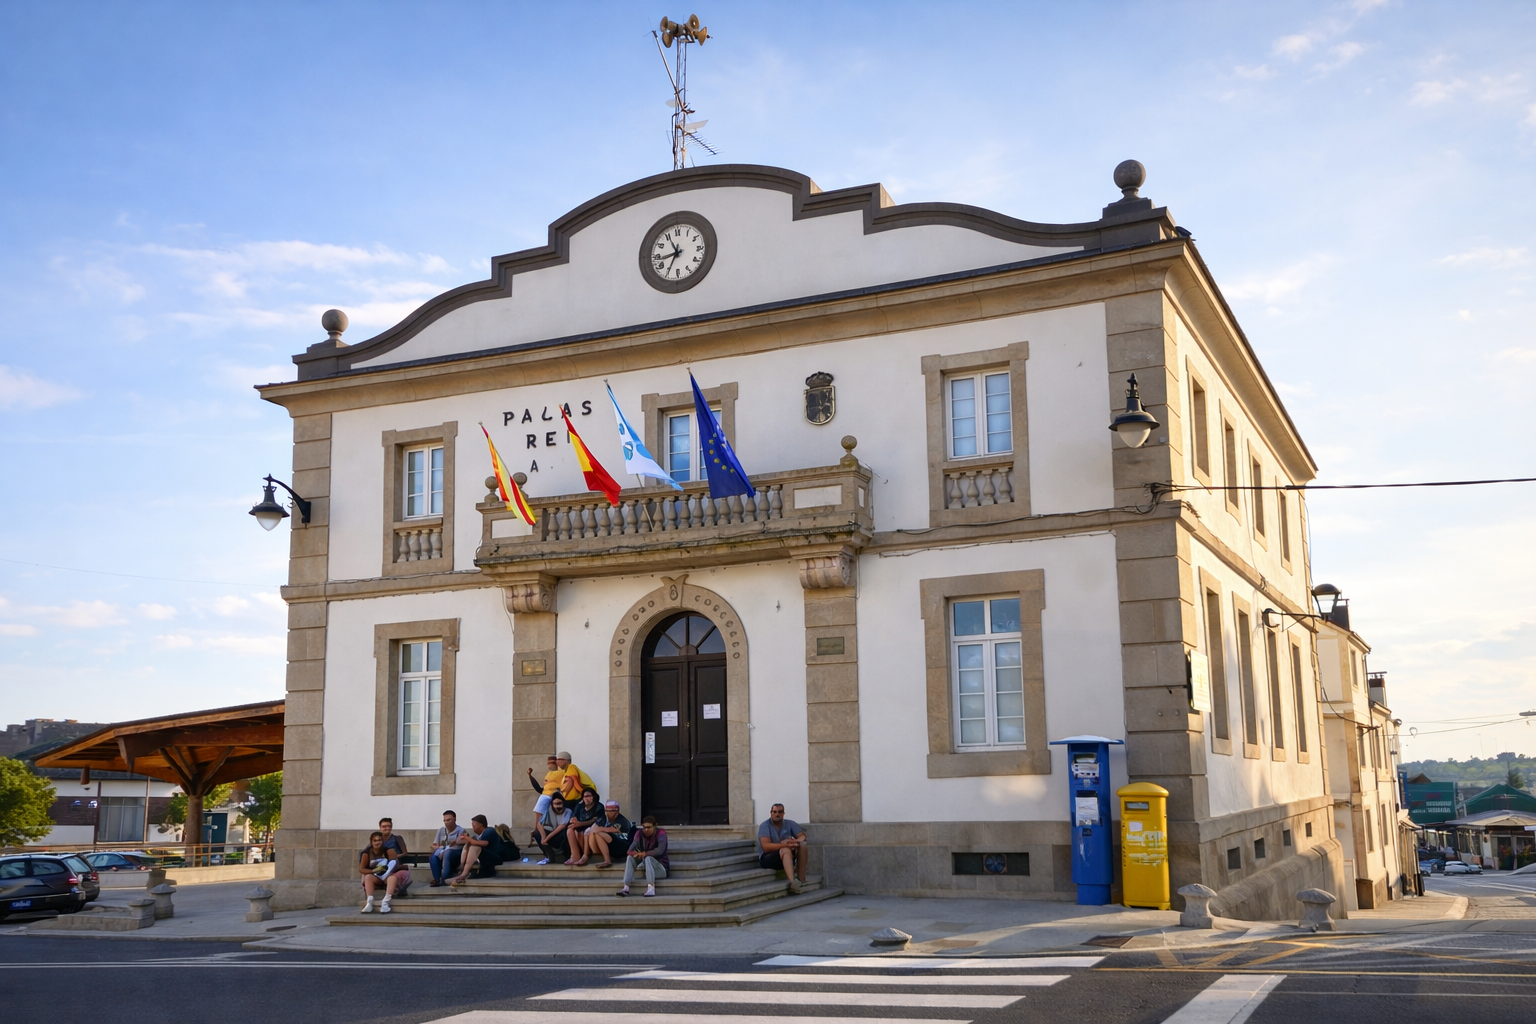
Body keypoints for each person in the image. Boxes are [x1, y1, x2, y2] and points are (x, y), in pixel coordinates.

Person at [758, 802, 807, 892]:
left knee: (803, 845)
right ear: (771, 813)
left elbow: (803, 836)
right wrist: (786, 845)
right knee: (785, 849)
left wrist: (794, 842)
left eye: (780, 812)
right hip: (768, 858)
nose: (777, 814)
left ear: (783, 813)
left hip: (786, 857)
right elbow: (766, 847)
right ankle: (793, 883)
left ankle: (801, 879)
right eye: (775, 812)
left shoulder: (789, 823)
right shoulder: (765, 826)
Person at [617, 816, 669, 897]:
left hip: (660, 868)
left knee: (648, 858)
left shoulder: (661, 833)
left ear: (655, 826)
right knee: (630, 858)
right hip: (646, 866)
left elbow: (660, 850)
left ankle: (651, 888)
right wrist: (635, 854)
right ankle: (626, 887)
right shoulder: (639, 833)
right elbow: (629, 850)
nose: (646, 830)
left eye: (649, 827)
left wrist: (645, 854)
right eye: (644, 827)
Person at [448, 814, 503, 885]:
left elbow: (484, 843)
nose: (473, 828)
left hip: (494, 858)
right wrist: (458, 841)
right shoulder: (479, 835)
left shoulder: (489, 831)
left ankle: (464, 874)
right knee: (469, 844)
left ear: (480, 825)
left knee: (474, 846)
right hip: (485, 857)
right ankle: (462, 866)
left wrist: (468, 838)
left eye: (474, 825)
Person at [359, 831, 405, 913]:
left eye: (379, 840)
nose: (377, 842)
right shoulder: (366, 853)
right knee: (368, 877)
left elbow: (395, 864)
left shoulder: (389, 851)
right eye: (375, 840)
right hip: (376, 876)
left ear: (383, 841)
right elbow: (362, 869)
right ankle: (369, 902)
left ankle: (385, 902)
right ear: (371, 842)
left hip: (388, 875)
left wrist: (386, 870)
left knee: (392, 878)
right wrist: (373, 870)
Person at [582, 800, 632, 868]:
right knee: (590, 832)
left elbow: (613, 830)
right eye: (607, 811)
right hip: (609, 844)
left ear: (617, 812)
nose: (608, 813)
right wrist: (599, 829)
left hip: (621, 846)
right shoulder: (603, 818)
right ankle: (585, 855)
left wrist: (600, 829)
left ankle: (607, 861)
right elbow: (592, 829)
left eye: (611, 811)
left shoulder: (622, 821)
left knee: (598, 833)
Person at [371, 817, 411, 898]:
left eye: (389, 826)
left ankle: (393, 888)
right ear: (380, 827)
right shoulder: (377, 840)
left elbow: (405, 852)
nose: (387, 828)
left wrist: (393, 857)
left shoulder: (397, 838)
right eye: (384, 826)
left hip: (394, 863)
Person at [566, 787, 604, 865]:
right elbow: (574, 816)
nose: (587, 798)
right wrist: (573, 820)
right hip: (580, 826)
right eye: (585, 796)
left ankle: (585, 855)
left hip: (593, 827)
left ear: (594, 796)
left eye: (589, 796)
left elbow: (594, 821)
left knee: (586, 832)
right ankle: (575, 856)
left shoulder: (599, 806)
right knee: (570, 830)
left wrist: (580, 824)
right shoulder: (579, 806)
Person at [429, 809, 467, 887]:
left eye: (449, 820)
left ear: (454, 819)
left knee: (447, 853)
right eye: (445, 820)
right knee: (433, 857)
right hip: (442, 850)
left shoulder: (460, 830)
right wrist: (437, 847)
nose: (446, 823)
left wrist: (456, 841)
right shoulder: (441, 830)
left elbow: (465, 841)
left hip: (455, 852)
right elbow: (434, 844)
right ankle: (437, 879)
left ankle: (445, 877)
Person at [532, 793, 572, 864]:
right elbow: (539, 823)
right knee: (537, 833)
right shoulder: (548, 811)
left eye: (560, 803)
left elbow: (562, 826)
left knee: (567, 831)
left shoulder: (567, 811)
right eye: (556, 804)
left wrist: (547, 839)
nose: (558, 806)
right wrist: (543, 837)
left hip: (561, 836)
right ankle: (549, 856)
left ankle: (567, 855)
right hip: (551, 834)